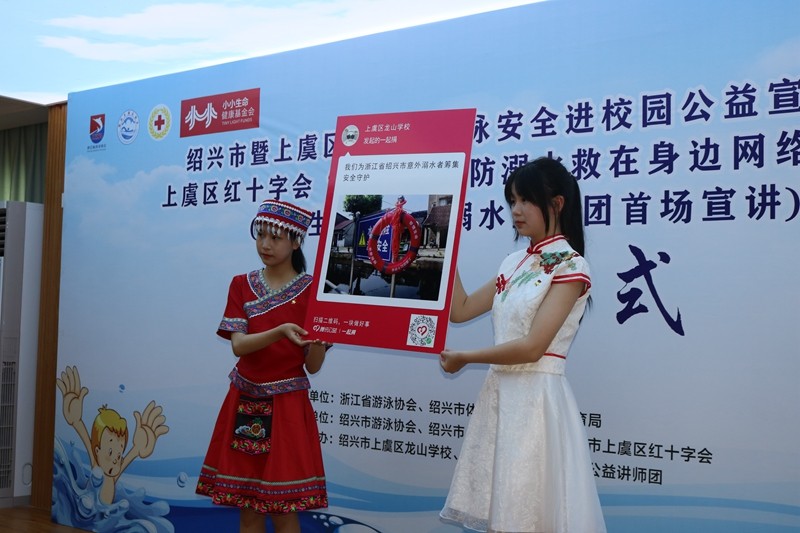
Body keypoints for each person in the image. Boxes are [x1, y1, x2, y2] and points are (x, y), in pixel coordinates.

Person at [439, 157, 606, 532]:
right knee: (504, 513)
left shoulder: (571, 265)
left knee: (529, 513)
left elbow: (533, 347)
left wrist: (466, 357)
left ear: (557, 203)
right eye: (512, 200)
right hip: (501, 398)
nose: (515, 210)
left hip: (536, 403)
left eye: (525, 200)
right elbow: (460, 310)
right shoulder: (514, 262)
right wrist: (444, 251)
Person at [196, 199, 331, 533]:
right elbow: (239, 345)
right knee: (248, 507)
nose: (265, 245)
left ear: (296, 242)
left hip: (287, 406)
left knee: (284, 509)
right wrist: (281, 331)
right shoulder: (241, 284)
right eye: (261, 236)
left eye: (275, 238)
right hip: (244, 399)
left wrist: (318, 343)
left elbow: (313, 367)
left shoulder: (315, 292)